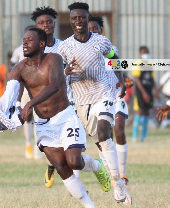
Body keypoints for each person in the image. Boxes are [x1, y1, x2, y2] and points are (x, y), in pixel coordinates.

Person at [0, 27, 111, 208]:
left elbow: (54, 86)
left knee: (75, 162)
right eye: (24, 40)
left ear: (41, 44)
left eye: (29, 40)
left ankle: (97, 166)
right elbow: (8, 101)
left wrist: (29, 104)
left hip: (65, 118)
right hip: (43, 125)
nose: (25, 43)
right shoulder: (19, 69)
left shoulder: (54, 59)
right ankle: (91, 206)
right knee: (61, 167)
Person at [58, 2, 131, 205]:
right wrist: (66, 72)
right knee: (100, 143)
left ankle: (118, 183)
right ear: (70, 21)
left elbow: (114, 58)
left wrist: (122, 79)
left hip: (104, 93)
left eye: (82, 17)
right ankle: (113, 176)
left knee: (103, 131)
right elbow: (58, 75)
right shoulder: (65, 47)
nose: (79, 21)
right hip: (82, 101)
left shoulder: (102, 41)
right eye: (74, 18)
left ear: (87, 18)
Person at [88, 15, 133, 186]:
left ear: (101, 30)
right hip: (99, 98)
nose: (93, 32)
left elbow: (118, 68)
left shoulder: (110, 48)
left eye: (96, 29)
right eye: (90, 29)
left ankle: (122, 174)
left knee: (120, 130)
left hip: (116, 95)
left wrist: (127, 78)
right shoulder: (83, 52)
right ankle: (109, 169)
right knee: (106, 136)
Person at [29, 6, 64, 186]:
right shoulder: (30, 48)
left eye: (49, 22)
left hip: (65, 102)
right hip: (42, 103)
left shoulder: (64, 46)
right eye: (41, 23)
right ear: (36, 26)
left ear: (54, 24)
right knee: (50, 145)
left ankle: (75, 188)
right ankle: (51, 165)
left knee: (70, 146)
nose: (46, 25)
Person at [11, 25, 41, 160]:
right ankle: (29, 144)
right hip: (26, 87)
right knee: (27, 117)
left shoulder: (109, 47)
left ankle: (37, 147)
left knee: (39, 118)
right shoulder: (20, 50)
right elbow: (12, 65)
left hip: (39, 88)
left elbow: (115, 63)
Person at [132, 46, 158, 142]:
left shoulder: (150, 65)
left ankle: (143, 137)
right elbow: (137, 80)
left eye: (147, 52)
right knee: (139, 111)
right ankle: (135, 136)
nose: (146, 54)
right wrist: (144, 93)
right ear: (140, 53)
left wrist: (156, 90)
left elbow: (152, 79)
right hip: (140, 91)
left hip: (149, 90)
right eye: (144, 52)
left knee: (146, 112)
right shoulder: (138, 64)